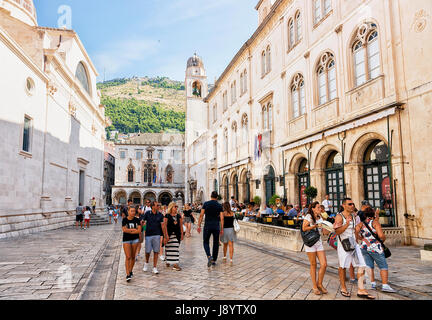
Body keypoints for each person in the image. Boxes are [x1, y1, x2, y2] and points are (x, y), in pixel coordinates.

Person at [334, 198, 375, 299]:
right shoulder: (339, 217)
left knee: (362, 264)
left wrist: (359, 238)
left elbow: (354, 230)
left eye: (353, 204)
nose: (352, 206)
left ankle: (361, 289)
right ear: (344, 205)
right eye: (350, 204)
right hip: (344, 244)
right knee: (343, 266)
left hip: (353, 243)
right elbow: (337, 232)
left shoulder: (353, 215)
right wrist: (346, 224)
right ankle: (343, 288)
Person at [356, 206, 396, 293]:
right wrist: (382, 241)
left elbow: (356, 235)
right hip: (375, 248)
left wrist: (363, 239)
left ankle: (371, 284)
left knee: (369, 265)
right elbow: (381, 236)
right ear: (373, 214)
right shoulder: (375, 223)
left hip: (364, 247)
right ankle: (385, 285)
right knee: (383, 266)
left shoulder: (360, 224)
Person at [302, 201, 328, 295]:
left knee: (324, 264)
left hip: (319, 242)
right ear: (313, 208)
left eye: (320, 207)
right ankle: (314, 286)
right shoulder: (309, 216)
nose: (319, 209)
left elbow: (324, 232)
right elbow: (304, 228)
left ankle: (320, 284)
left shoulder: (320, 216)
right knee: (313, 265)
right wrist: (314, 226)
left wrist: (328, 229)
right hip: (310, 242)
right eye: (318, 207)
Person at [197, 191, 224, 267]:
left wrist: (198, 225)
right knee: (216, 243)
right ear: (217, 197)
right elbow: (222, 218)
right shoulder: (219, 205)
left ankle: (209, 256)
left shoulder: (206, 204)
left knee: (205, 242)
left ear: (210, 196)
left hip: (207, 226)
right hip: (216, 226)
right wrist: (222, 228)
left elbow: (201, 215)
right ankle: (214, 260)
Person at [142, 201, 165, 274]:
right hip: (148, 234)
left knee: (156, 251)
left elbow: (163, 225)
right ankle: (146, 263)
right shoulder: (147, 213)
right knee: (147, 251)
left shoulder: (160, 215)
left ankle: (155, 267)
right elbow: (143, 221)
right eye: (157, 205)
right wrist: (143, 228)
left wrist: (164, 235)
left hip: (157, 234)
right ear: (153, 206)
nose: (158, 206)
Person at [122, 205, 141, 282]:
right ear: (128, 212)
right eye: (131, 211)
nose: (133, 212)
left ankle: (130, 271)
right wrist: (134, 230)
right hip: (126, 240)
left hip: (135, 240)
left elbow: (139, 230)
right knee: (128, 256)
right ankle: (127, 274)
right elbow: (124, 230)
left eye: (134, 211)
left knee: (133, 256)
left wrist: (129, 230)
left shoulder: (137, 220)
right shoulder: (125, 220)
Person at [163, 202, 184, 271]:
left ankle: (174, 263)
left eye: (177, 206)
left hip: (177, 234)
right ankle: (171, 262)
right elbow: (165, 226)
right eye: (175, 206)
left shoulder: (178, 216)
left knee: (175, 248)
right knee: (169, 248)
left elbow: (181, 225)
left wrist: (182, 234)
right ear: (171, 207)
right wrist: (166, 235)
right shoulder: (167, 215)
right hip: (169, 234)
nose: (176, 208)